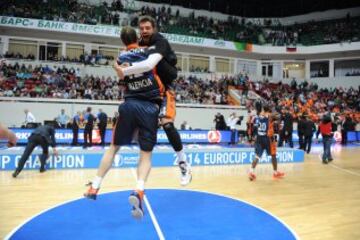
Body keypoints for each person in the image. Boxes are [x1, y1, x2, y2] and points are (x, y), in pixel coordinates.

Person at [85, 26, 165, 219]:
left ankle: (95, 186)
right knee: (145, 154)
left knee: (113, 148)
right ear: (137, 37)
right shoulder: (148, 51)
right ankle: (139, 189)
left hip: (129, 105)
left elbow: (121, 76)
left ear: (122, 42)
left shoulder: (120, 59)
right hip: (149, 108)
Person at [115, 16, 191, 186]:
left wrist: (123, 71)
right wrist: (122, 66)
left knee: (167, 124)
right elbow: (128, 57)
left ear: (154, 28)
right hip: (148, 91)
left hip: (165, 87)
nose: (144, 31)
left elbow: (148, 65)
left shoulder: (160, 42)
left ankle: (183, 164)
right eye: (141, 28)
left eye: (147, 28)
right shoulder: (139, 44)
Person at [248, 105, 284, 181]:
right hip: (267, 139)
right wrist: (276, 118)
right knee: (273, 155)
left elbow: (253, 127)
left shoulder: (257, 117)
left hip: (259, 139)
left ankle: (251, 172)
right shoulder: (269, 116)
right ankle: (275, 172)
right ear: (268, 110)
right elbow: (279, 116)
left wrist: (252, 138)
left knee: (257, 156)